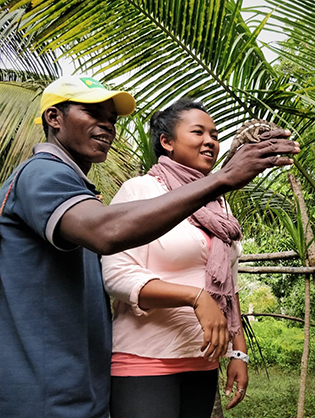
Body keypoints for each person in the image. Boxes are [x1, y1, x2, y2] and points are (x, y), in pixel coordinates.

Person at [0, 76, 299, 418]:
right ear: (54, 118)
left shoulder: (79, 191)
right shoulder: (44, 175)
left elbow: (226, 287)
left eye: (111, 118)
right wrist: (224, 177)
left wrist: (237, 351)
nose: (107, 126)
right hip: (45, 390)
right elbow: (108, 238)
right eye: (93, 113)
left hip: (85, 384)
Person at [102, 99, 296, 418]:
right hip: (146, 360)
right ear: (167, 142)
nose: (210, 141)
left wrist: (238, 352)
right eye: (198, 132)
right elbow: (117, 276)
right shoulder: (141, 191)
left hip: (203, 361)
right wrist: (196, 298)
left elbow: (227, 284)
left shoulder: (218, 204)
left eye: (215, 135)